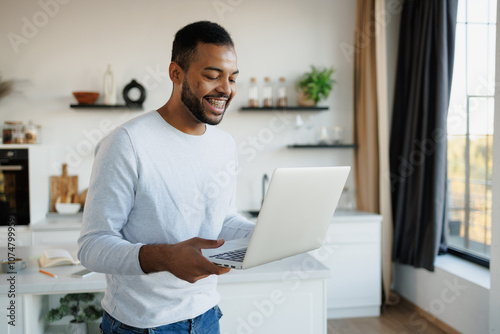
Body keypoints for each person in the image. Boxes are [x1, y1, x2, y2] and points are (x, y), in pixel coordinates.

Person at [78, 21, 255, 334]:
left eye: (232, 78)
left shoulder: (225, 145)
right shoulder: (127, 142)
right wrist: (164, 258)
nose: (226, 89)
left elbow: (221, 218)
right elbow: (92, 245)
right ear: (177, 74)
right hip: (141, 326)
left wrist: (266, 233)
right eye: (212, 76)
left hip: (207, 316)